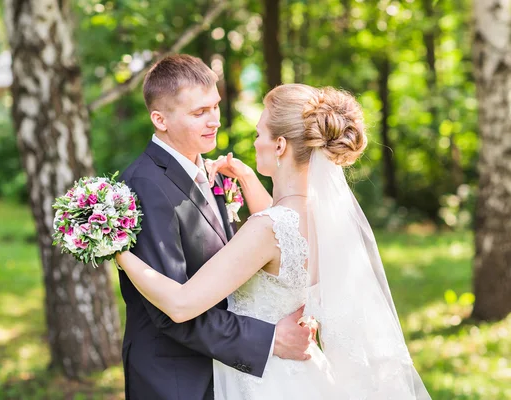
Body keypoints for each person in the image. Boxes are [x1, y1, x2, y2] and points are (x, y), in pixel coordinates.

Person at [117, 83, 432, 399]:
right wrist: (247, 177)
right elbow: (281, 229)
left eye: (258, 135)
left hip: (263, 379)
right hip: (302, 375)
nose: (254, 143)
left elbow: (182, 304)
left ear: (279, 145)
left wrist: (118, 249)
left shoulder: (268, 228)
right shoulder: (315, 216)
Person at [118, 55, 313, 400]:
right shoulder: (145, 186)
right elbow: (170, 311)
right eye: (198, 113)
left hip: (228, 370)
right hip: (177, 379)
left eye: (215, 107)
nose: (214, 122)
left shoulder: (211, 172)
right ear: (159, 119)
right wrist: (269, 339)